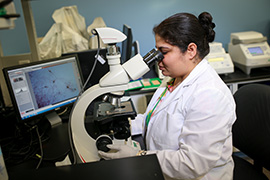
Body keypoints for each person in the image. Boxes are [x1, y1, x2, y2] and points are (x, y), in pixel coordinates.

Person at [99, 12, 236, 180]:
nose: (157, 59)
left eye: (164, 51)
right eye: (156, 51)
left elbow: (191, 164)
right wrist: (122, 124)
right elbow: (155, 117)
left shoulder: (210, 96)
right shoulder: (173, 79)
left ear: (191, 50)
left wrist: (137, 156)